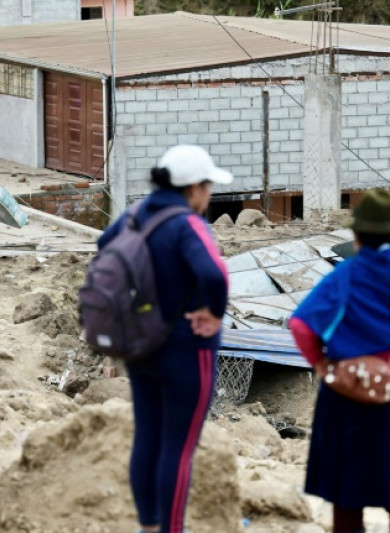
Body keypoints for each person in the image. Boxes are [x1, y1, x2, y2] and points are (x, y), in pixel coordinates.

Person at [289, 189, 390, 533]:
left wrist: (322, 364)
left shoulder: (344, 277)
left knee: (348, 493)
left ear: (358, 236)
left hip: (347, 392)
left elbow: (301, 325)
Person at [96, 145, 232, 533]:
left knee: (148, 437)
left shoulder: (136, 214)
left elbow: (104, 246)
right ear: (193, 187)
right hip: (186, 349)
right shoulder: (187, 223)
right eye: (208, 187)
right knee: (179, 447)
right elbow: (215, 275)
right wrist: (214, 314)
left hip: (141, 344)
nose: (209, 196)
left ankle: (149, 527)